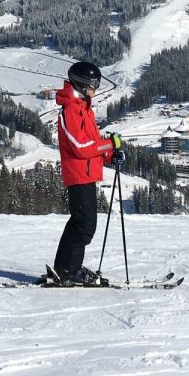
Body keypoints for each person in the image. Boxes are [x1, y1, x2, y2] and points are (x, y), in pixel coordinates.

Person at [52, 61, 123, 286]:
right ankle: (68, 272)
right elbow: (81, 147)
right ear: (82, 84)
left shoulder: (83, 108)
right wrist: (109, 145)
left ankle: (65, 268)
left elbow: (92, 146)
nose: (97, 88)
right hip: (78, 174)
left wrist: (111, 155)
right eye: (94, 84)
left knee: (79, 223)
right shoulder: (71, 110)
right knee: (84, 226)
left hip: (88, 173)